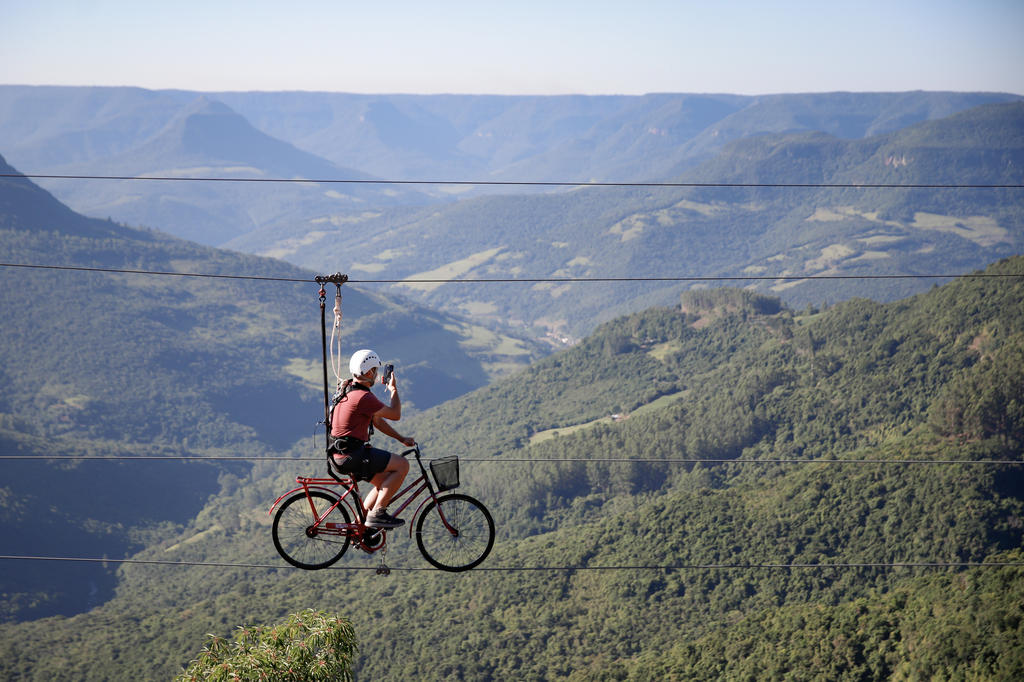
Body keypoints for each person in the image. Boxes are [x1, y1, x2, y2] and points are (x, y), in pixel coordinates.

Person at [328, 349, 415, 528]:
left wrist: (401, 438)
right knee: (402, 465)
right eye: (375, 370)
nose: (376, 375)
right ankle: (377, 513)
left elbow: (377, 421)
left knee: (384, 482)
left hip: (341, 455)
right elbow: (395, 414)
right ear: (368, 372)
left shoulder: (348, 388)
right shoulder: (363, 397)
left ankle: (360, 526)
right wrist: (393, 389)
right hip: (353, 455)